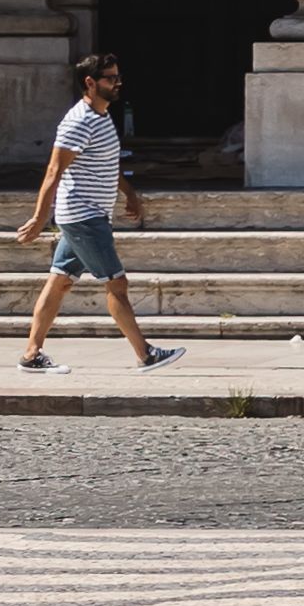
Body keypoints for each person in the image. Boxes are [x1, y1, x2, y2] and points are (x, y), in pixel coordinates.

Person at [17, 53, 178, 374]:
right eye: (109, 78)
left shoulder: (101, 117)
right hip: (82, 216)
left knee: (60, 282)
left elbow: (107, 164)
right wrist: (38, 217)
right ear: (89, 83)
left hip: (91, 215)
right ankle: (145, 354)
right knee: (117, 284)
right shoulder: (78, 121)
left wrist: (129, 194)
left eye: (118, 77)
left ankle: (31, 354)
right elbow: (53, 171)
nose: (117, 83)